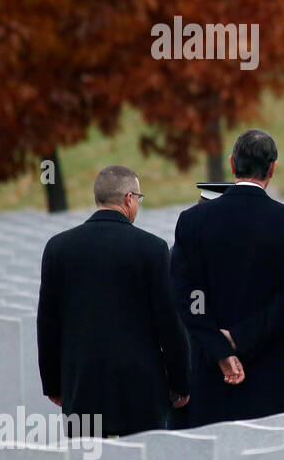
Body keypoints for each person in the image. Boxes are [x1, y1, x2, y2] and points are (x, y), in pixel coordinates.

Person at [36, 166, 190, 436]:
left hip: (82, 383)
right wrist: (181, 382)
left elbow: (48, 322)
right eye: (139, 199)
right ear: (129, 199)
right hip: (140, 386)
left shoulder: (58, 248)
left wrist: (54, 384)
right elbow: (168, 321)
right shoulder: (151, 249)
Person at [170, 129, 284, 426]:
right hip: (270, 366)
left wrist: (220, 348)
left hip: (212, 366)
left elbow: (186, 296)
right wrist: (240, 337)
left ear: (232, 164)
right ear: (272, 167)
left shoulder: (193, 220)